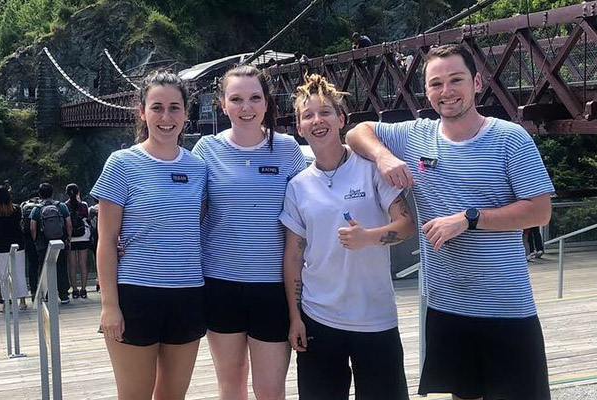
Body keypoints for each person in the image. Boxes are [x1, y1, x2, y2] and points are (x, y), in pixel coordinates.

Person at [346, 44, 554, 400]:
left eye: (455, 80)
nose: (447, 92)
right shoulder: (415, 135)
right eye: (436, 83)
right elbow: (356, 131)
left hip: (505, 307)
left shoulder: (509, 138)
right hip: (447, 305)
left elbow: (540, 210)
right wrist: (382, 157)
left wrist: (469, 219)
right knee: (462, 395)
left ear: (476, 82)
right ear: (426, 91)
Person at [281, 74, 414, 400]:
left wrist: (368, 237)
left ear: (341, 119)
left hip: (375, 318)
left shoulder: (370, 168)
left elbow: (407, 223)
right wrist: (295, 317)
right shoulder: (298, 185)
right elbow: (294, 256)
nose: (317, 120)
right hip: (319, 318)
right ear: (299, 127)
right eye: (308, 115)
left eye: (325, 112)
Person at [90, 69, 208, 400]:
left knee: (174, 396)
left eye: (174, 108)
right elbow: (107, 241)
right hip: (135, 296)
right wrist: (109, 305)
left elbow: (193, 227)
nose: (166, 117)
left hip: (188, 294)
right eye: (157, 107)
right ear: (142, 111)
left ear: (186, 113)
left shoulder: (198, 168)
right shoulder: (122, 163)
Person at [192, 65, 306, 400]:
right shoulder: (205, 151)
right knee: (231, 384)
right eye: (237, 99)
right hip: (220, 284)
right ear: (222, 104)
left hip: (273, 287)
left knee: (270, 390)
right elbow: (186, 214)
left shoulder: (288, 150)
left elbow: (312, 208)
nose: (246, 107)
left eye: (255, 98)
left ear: (267, 103)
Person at [30, 182, 72, 304]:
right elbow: (68, 223)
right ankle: (64, 294)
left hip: (43, 243)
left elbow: (33, 227)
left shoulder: (36, 209)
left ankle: (48, 294)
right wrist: (68, 237)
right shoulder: (61, 206)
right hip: (60, 241)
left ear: (40, 194)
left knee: (45, 268)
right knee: (61, 267)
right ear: (52, 193)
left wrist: (36, 240)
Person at [0, 184, 28, 311]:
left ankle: (6, 303)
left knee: (3, 275)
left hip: (0, 247)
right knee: (19, 272)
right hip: (18, 245)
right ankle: (22, 301)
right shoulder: (16, 210)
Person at [65, 183, 91, 299]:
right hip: (83, 236)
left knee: (72, 264)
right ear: (77, 192)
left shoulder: (64, 206)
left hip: (71, 237)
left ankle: (74, 290)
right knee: (82, 264)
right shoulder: (83, 205)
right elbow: (87, 218)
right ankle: (84, 289)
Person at [21, 196, 41, 301]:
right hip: (42, 240)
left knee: (32, 265)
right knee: (43, 265)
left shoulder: (24, 206)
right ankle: (45, 292)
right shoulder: (40, 206)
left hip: (29, 240)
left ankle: (33, 291)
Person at [88, 201, 100, 291]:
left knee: (98, 261)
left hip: (96, 237)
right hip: (109, 235)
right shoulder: (113, 208)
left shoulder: (91, 210)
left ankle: (99, 282)